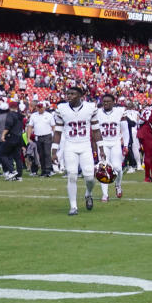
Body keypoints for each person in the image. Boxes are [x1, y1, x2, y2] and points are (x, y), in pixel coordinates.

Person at [52, 85, 100, 216]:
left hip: (85, 145)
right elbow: (57, 131)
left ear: (80, 96)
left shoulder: (90, 108)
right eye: (68, 94)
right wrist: (54, 151)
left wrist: (100, 148)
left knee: (90, 178)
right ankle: (73, 206)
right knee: (72, 175)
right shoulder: (61, 109)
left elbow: (96, 130)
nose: (69, 96)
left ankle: (88, 194)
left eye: (72, 94)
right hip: (70, 145)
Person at [95, 93, 127, 201]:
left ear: (113, 102)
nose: (106, 103)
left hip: (115, 142)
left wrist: (126, 145)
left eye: (108, 101)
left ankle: (118, 185)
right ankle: (105, 194)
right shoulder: (98, 113)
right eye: (104, 101)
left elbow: (125, 130)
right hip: (103, 143)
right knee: (103, 169)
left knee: (117, 168)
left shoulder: (120, 111)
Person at [28, 101, 55, 176]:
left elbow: (53, 126)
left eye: (41, 107)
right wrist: (28, 137)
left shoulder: (49, 115)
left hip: (47, 135)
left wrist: (54, 136)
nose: (39, 109)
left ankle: (48, 170)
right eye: (38, 107)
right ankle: (43, 170)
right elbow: (30, 126)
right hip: (38, 136)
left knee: (47, 153)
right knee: (41, 154)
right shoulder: (33, 115)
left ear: (44, 107)